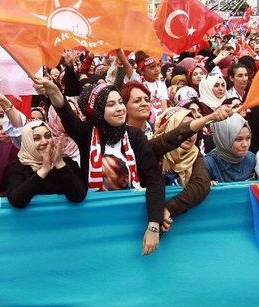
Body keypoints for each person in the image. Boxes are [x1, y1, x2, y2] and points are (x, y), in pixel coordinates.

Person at [34, 79, 164, 255]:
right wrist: (54, 93)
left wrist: (154, 226)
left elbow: (155, 180)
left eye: (120, 102)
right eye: (110, 104)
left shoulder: (135, 137)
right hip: (96, 223)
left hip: (132, 222)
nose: (119, 108)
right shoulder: (86, 133)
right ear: (97, 111)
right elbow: (67, 115)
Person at [7, 120, 86, 208]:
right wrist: (44, 170)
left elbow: (79, 196)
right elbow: (16, 200)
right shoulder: (18, 166)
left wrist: (59, 164)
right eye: (37, 138)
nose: (44, 142)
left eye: (48, 136)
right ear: (27, 141)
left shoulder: (66, 162)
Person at [204, 114, 256, 183]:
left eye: (248, 138)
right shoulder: (209, 164)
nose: (245, 144)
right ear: (223, 138)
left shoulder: (251, 159)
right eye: (238, 139)